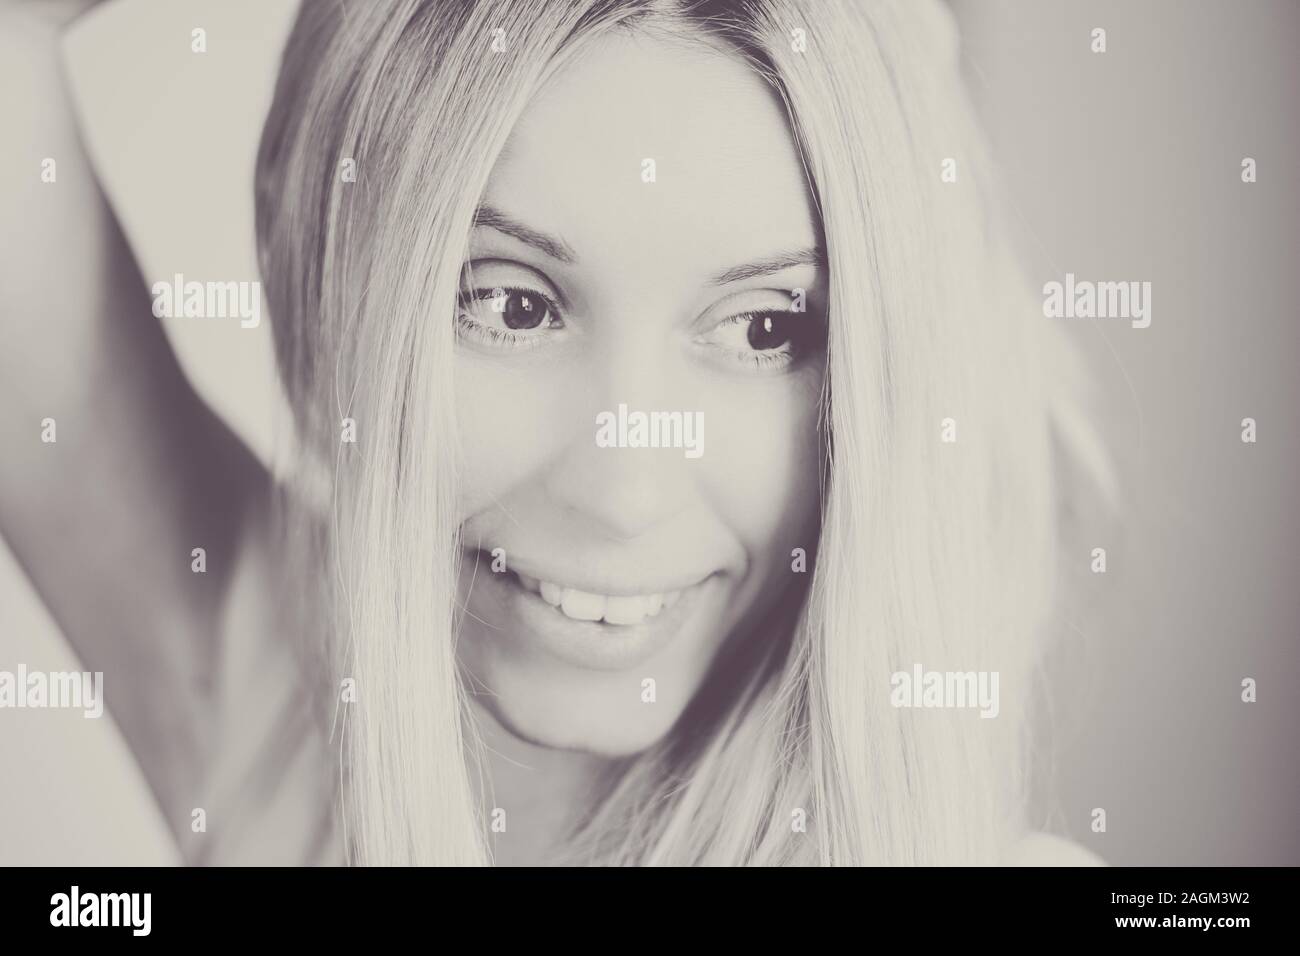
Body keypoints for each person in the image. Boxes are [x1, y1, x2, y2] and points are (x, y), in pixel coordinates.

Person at [0, 0, 1105, 866]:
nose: (623, 491)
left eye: (765, 327)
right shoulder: (270, 697)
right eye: (511, 304)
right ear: (326, 280)